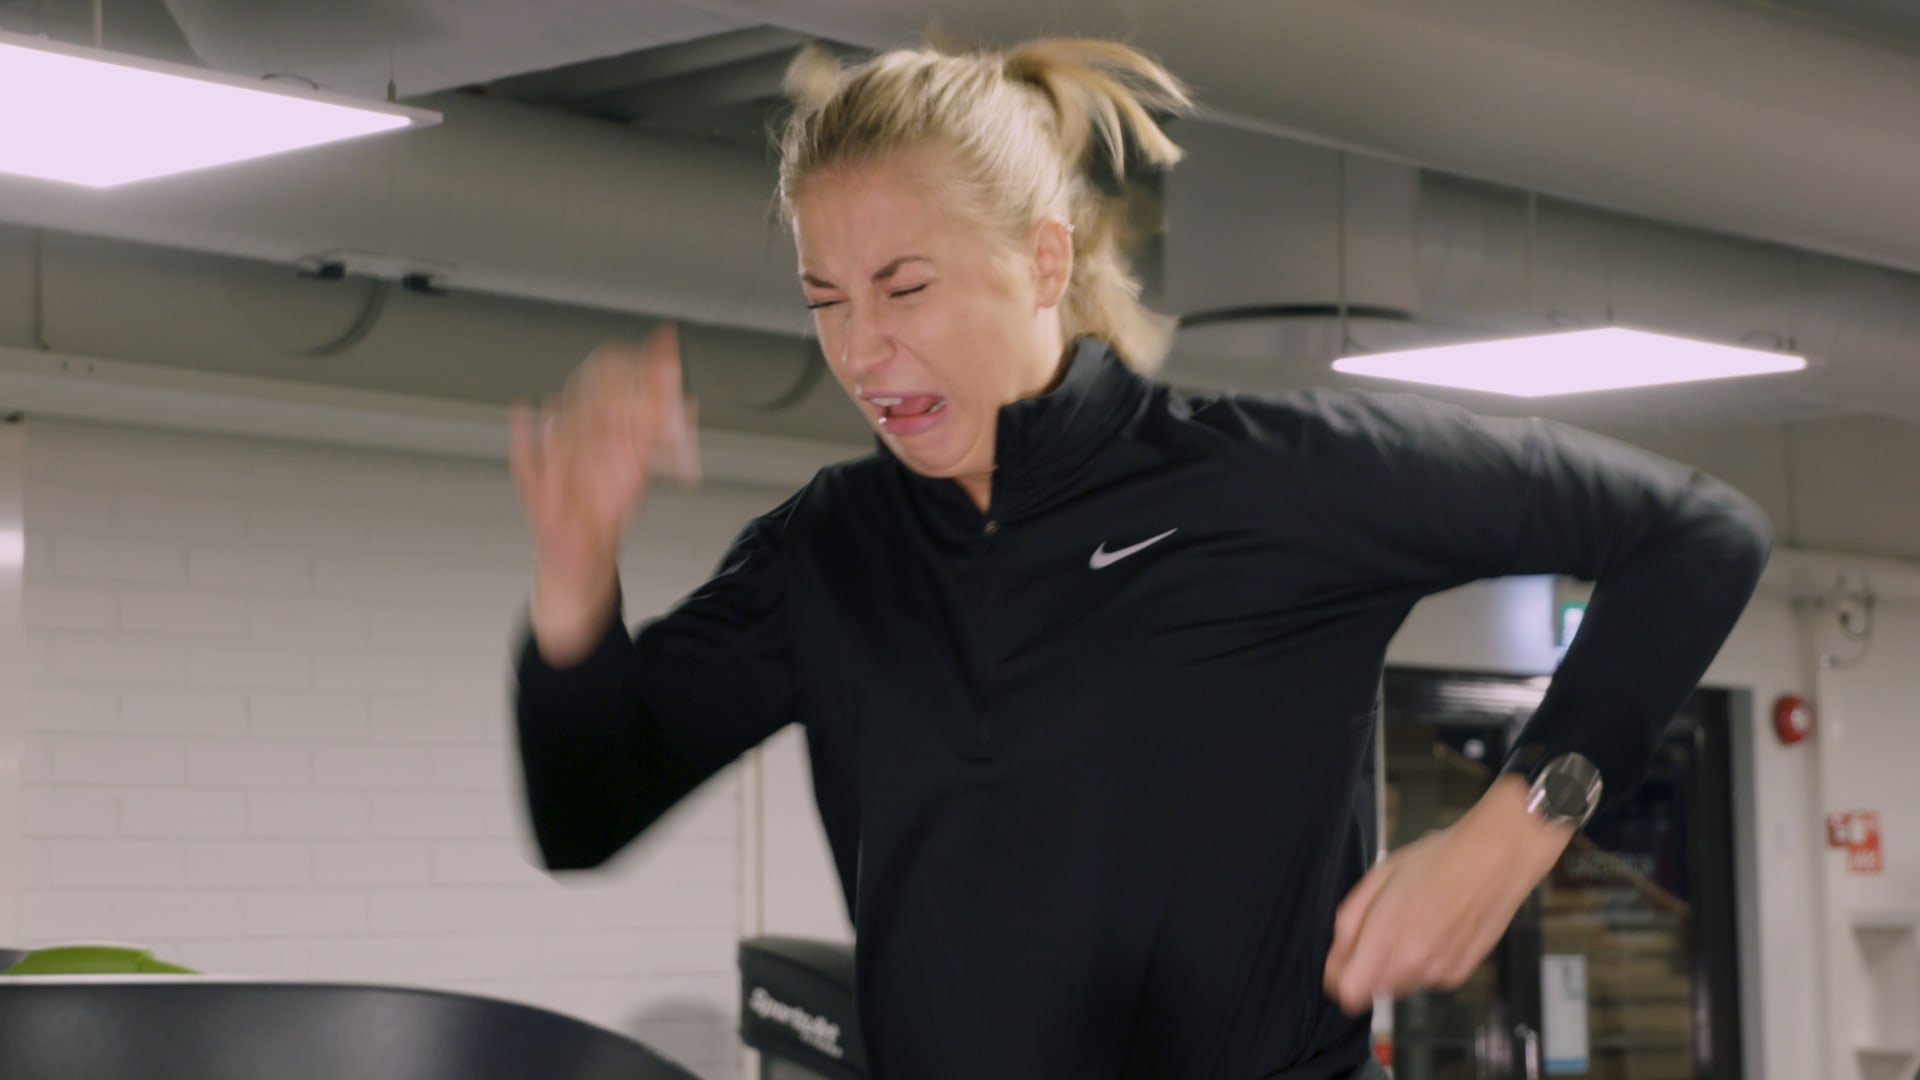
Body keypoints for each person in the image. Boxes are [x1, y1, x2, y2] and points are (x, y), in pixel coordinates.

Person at [507, 35, 1770, 1080]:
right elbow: (585, 811)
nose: (861, 350)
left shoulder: (1268, 482)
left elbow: (1695, 534)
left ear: (1043, 260)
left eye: (903, 287)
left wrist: (1514, 832)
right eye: (825, 300)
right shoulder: (831, 551)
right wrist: (575, 572)